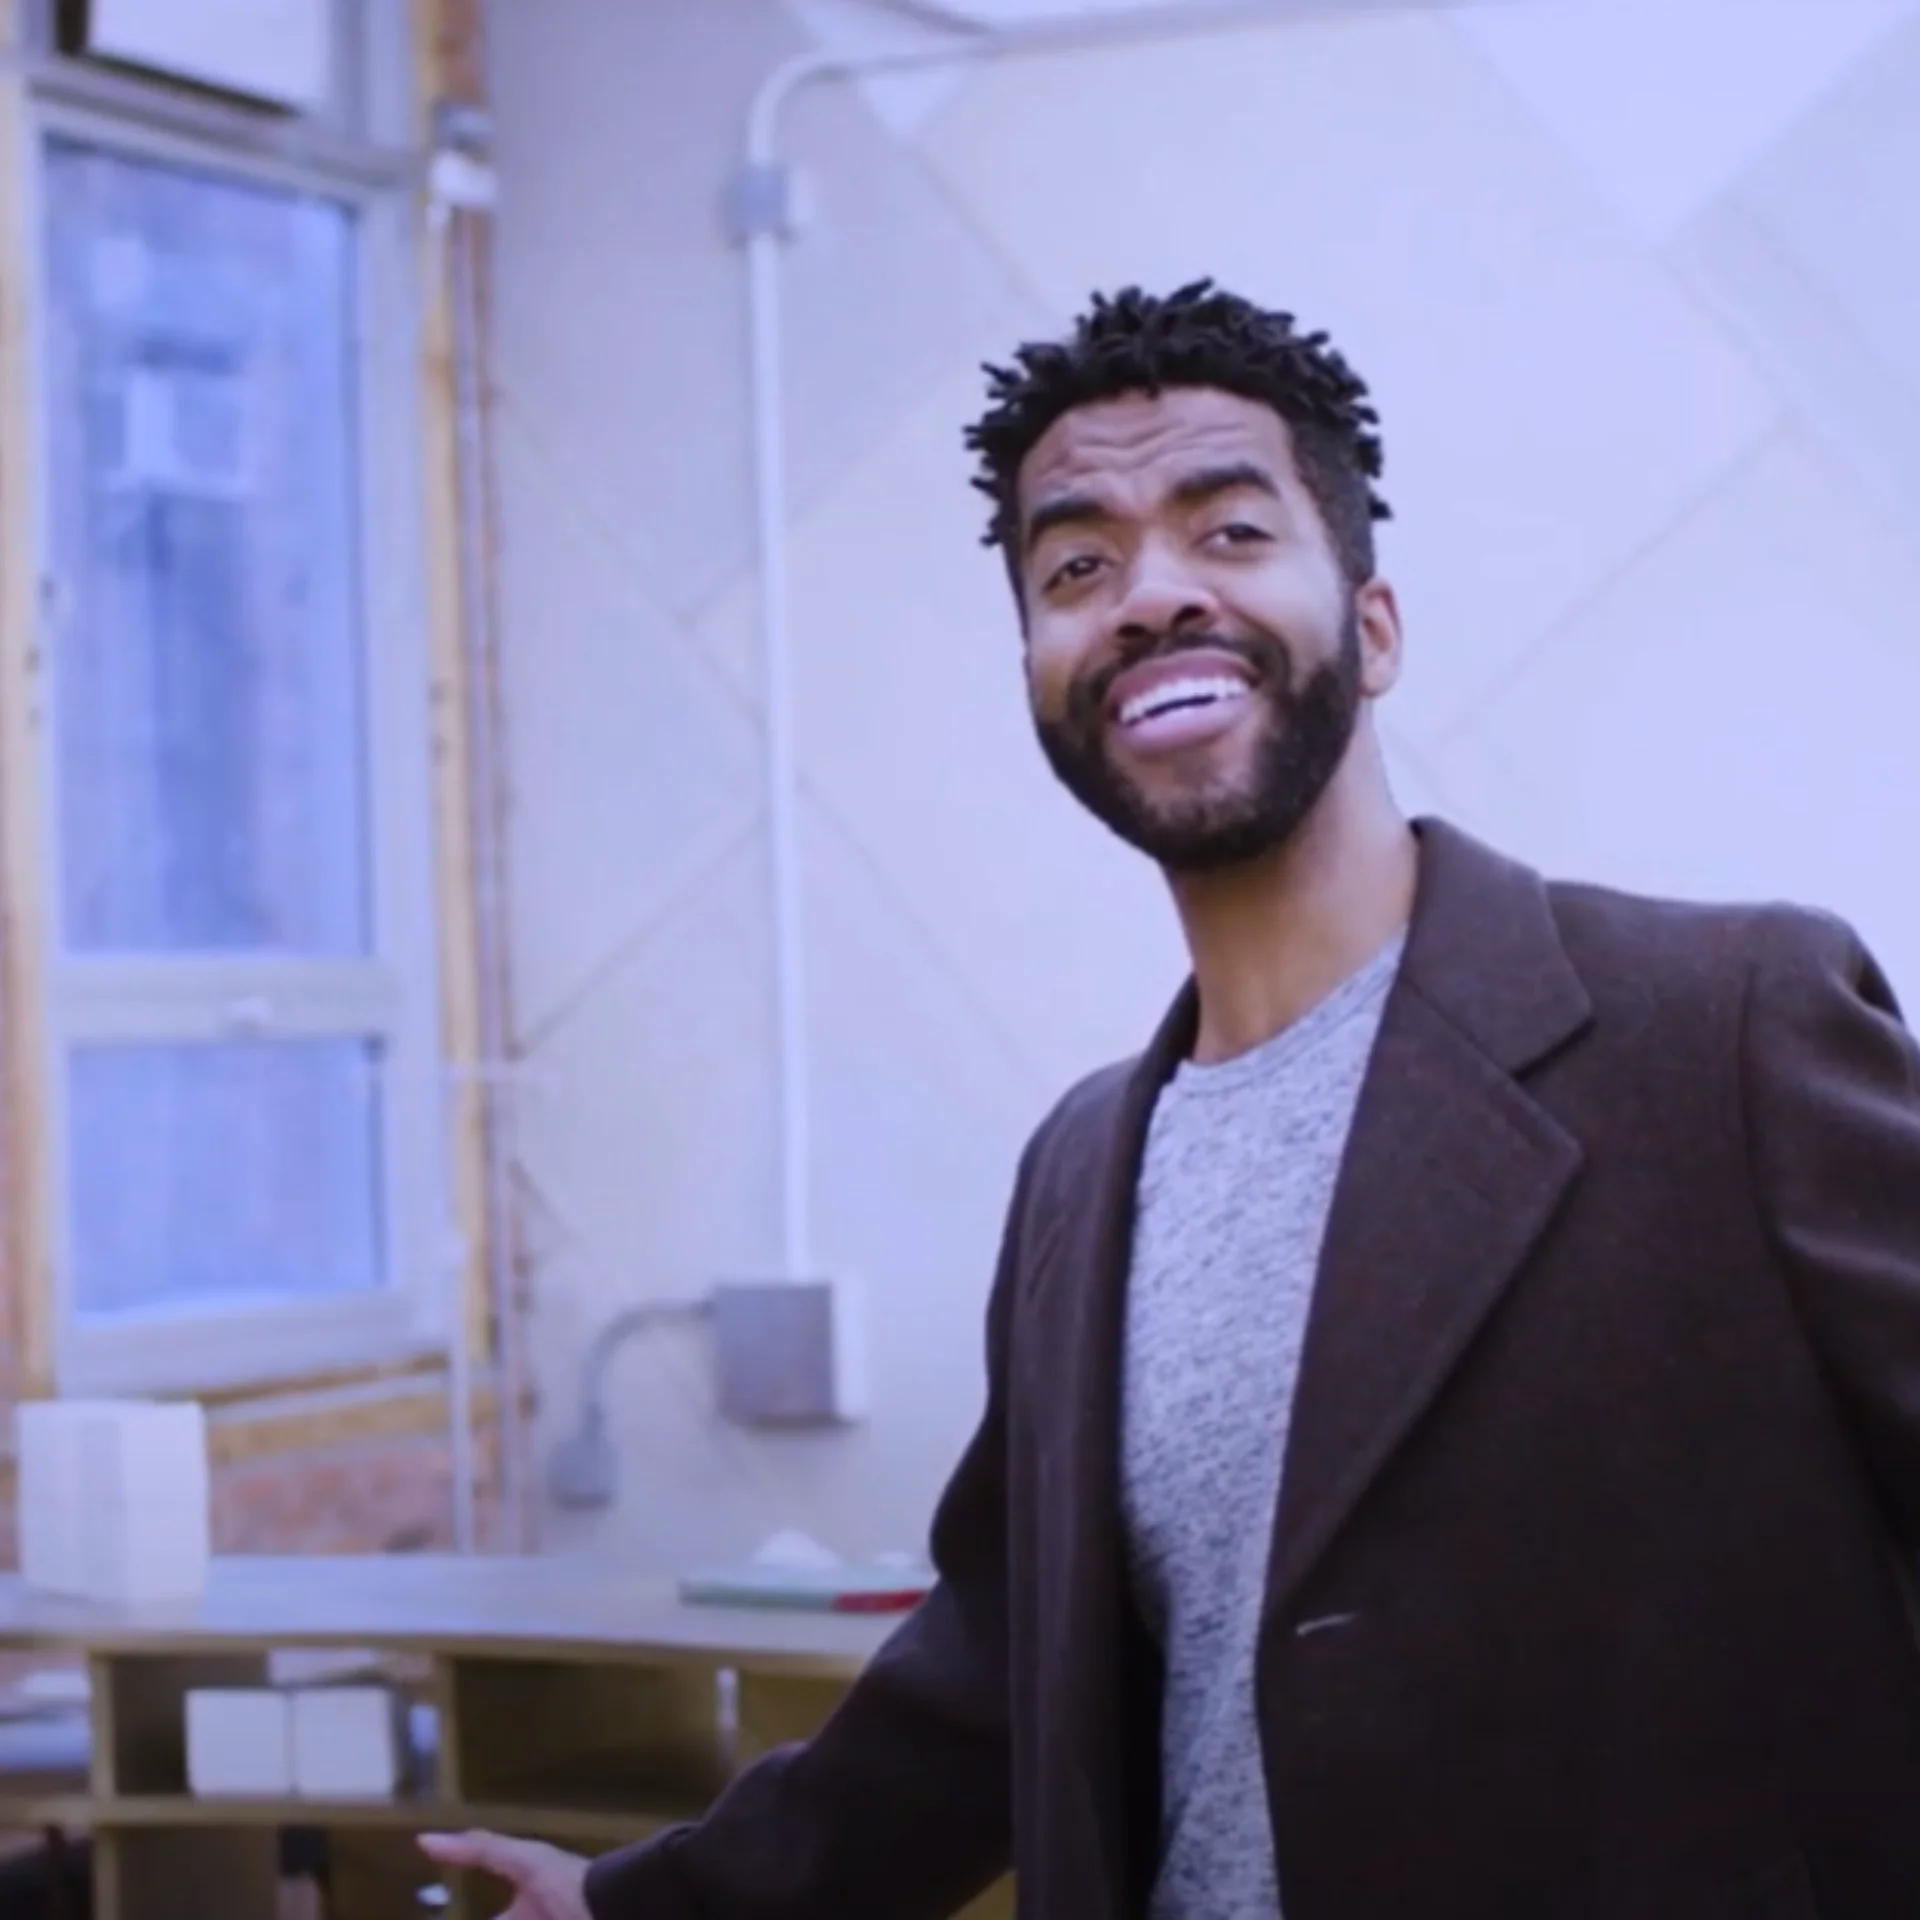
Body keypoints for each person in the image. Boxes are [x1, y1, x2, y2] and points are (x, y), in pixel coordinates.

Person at [421, 281, 1920, 1918]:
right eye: (1077, 569)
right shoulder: (1083, 1169)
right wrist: (640, 1906)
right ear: (1042, 678)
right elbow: (997, 1678)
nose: (1148, 598)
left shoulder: (1721, 1026)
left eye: (1229, 532)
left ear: (1376, 627)